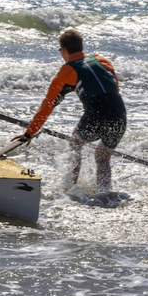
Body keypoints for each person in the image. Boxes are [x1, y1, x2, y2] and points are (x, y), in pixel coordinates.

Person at [12, 29, 127, 192]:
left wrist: (29, 133)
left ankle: (71, 190)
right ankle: (104, 193)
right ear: (81, 46)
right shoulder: (103, 61)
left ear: (64, 50)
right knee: (102, 157)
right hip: (120, 114)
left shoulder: (66, 71)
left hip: (96, 115)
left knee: (75, 143)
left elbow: (48, 105)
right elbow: (114, 87)